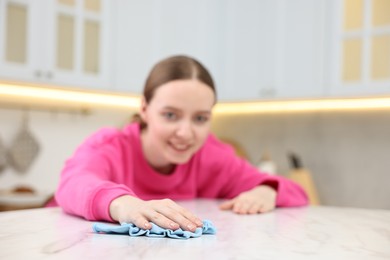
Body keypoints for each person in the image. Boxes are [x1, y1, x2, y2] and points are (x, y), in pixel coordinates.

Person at [53, 55, 308, 232]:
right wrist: (123, 205)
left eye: (200, 118)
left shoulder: (212, 155)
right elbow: (72, 184)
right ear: (144, 108)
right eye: (170, 115)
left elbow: (296, 192)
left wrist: (267, 191)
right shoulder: (111, 146)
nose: (185, 133)